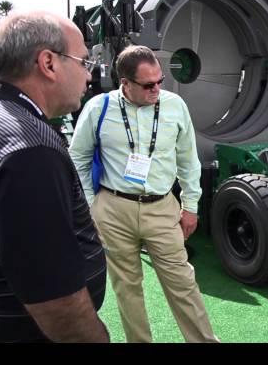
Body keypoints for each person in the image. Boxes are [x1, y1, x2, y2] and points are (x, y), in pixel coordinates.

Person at [0, 11, 109, 343]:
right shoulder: (28, 147)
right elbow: (56, 301)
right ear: (48, 63)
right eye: (84, 62)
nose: (89, 77)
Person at [69, 45, 218, 343]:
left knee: (183, 283)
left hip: (162, 207)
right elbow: (78, 157)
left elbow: (188, 160)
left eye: (160, 81)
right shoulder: (99, 107)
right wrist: (90, 205)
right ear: (125, 82)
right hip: (112, 209)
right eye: (148, 84)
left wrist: (191, 206)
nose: (157, 89)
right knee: (127, 289)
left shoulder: (174, 105)